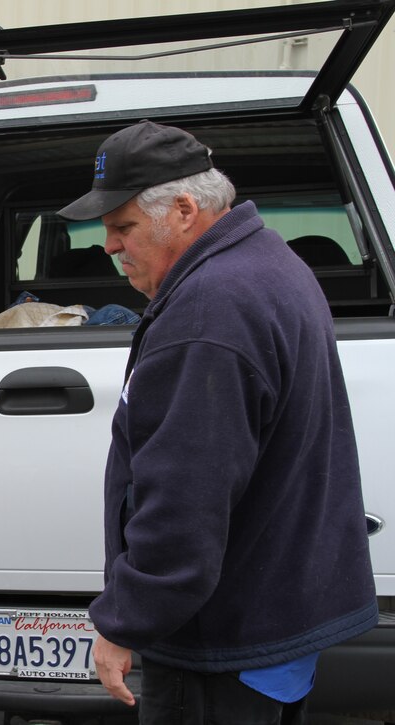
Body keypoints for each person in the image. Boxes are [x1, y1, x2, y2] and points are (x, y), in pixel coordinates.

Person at [57, 121, 377, 722]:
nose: (109, 245)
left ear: (182, 210)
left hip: (223, 640)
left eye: (122, 226)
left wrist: (126, 620)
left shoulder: (209, 309)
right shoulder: (267, 262)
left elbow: (186, 496)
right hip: (273, 618)